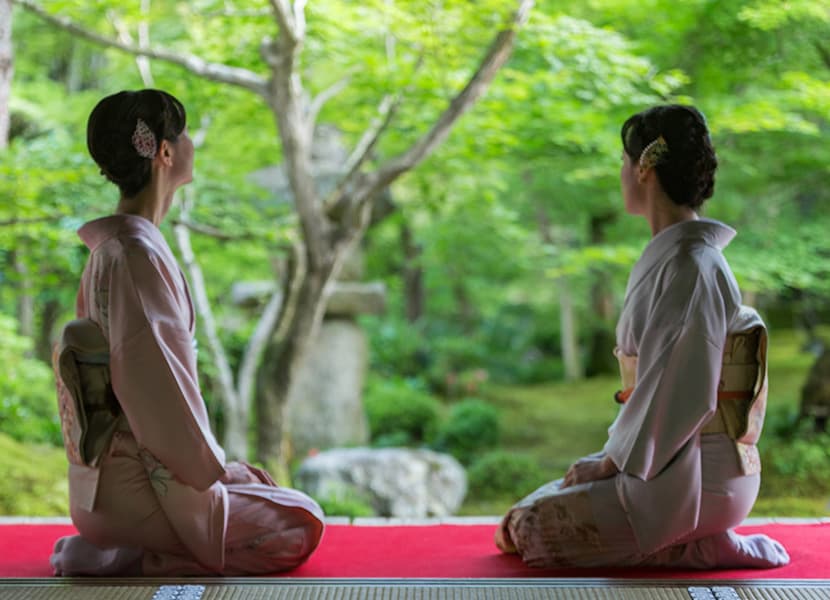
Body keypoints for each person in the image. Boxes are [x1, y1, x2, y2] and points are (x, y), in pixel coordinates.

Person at [495, 104, 790, 569]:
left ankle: (694, 542)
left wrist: (610, 462)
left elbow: (679, 393)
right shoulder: (680, 258)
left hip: (698, 475)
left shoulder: (692, 265)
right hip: (674, 458)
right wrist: (608, 457)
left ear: (644, 169)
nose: (621, 172)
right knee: (521, 516)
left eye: (623, 161)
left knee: (529, 530)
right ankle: (695, 540)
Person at [50, 89, 324, 576]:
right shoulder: (136, 255)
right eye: (184, 133)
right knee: (298, 521)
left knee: (256, 480)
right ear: (165, 152)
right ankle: (130, 552)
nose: (191, 143)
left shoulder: (113, 250)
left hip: (100, 487)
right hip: (138, 493)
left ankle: (113, 545)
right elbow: (159, 395)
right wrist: (210, 469)